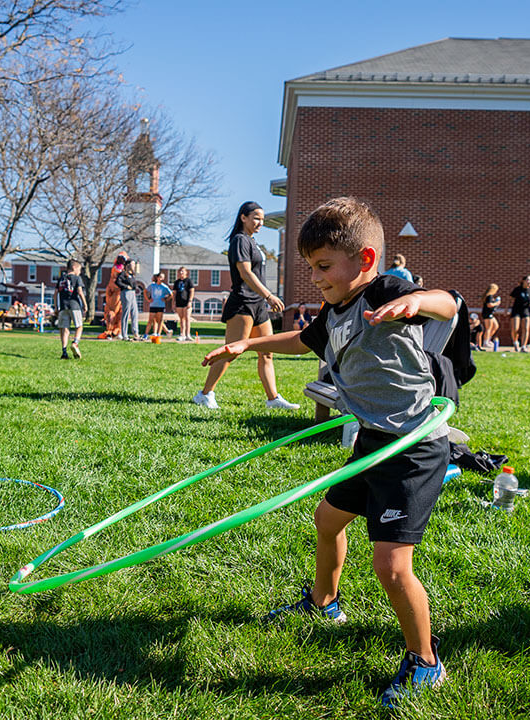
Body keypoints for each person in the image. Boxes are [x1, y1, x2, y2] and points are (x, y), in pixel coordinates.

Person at [204, 197, 456, 707]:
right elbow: (305, 341)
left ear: (363, 260)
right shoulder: (335, 309)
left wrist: (417, 304)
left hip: (413, 448)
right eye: (311, 267)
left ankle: (426, 663)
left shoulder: (385, 289)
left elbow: (448, 301)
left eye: (323, 267)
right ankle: (324, 603)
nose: (315, 277)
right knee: (326, 519)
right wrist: (245, 347)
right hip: (371, 440)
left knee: (390, 564)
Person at [194, 201, 298, 410]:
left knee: (267, 352)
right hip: (243, 302)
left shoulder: (252, 241)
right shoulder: (240, 240)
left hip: (258, 304)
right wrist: (269, 295)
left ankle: (273, 399)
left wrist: (264, 299)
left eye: (262, 219)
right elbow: (245, 273)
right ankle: (204, 394)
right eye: (256, 218)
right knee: (231, 352)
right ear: (243, 217)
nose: (260, 223)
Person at [55, 259, 86, 359]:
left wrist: (56, 307)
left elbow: (55, 294)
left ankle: (64, 352)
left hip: (63, 307)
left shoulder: (61, 279)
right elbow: (80, 292)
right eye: (79, 269)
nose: (80, 272)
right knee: (79, 326)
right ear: (74, 268)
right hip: (75, 306)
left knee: (65, 329)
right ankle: (75, 343)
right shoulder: (77, 278)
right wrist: (85, 304)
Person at [102, 253, 126, 338]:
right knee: (111, 312)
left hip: (120, 293)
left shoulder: (123, 268)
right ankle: (109, 331)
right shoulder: (116, 268)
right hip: (114, 291)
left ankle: (117, 331)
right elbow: (115, 278)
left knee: (120, 313)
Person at [115, 258, 140, 340]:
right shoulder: (123, 274)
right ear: (128, 265)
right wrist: (126, 286)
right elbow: (118, 282)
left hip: (132, 293)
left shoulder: (132, 274)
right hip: (126, 293)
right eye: (132, 264)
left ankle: (135, 332)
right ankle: (124, 334)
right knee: (126, 313)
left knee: (135, 313)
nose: (134, 265)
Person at [508, 275, 530, 352]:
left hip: (525, 310)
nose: (529, 282)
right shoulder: (517, 289)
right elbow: (510, 299)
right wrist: (507, 309)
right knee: (515, 328)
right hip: (516, 310)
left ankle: (523, 346)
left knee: (526, 328)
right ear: (523, 281)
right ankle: (515, 342)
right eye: (528, 280)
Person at [172, 266, 195, 341]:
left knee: (187, 318)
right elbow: (174, 293)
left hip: (186, 302)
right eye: (180, 271)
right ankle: (182, 334)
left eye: (182, 271)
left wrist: (190, 301)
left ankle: (188, 335)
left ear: (186, 272)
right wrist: (173, 303)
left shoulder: (189, 281)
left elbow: (192, 291)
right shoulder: (176, 282)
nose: (181, 272)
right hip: (179, 302)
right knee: (181, 319)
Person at [145, 272, 172, 338]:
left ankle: (158, 334)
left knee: (160, 320)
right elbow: (145, 291)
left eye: (163, 277)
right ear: (157, 278)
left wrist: (166, 299)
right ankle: (145, 335)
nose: (162, 279)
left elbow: (171, 294)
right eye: (160, 277)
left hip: (161, 305)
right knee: (150, 320)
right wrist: (148, 300)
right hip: (153, 305)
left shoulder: (164, 286)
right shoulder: (152, 285)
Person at [479, 283, 500, 350]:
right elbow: (489, 305)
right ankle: (485, 342)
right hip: (487, 314)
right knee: (489, 328)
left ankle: (488, 339)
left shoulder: (490, 296)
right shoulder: (489, 296)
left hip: (490, 314)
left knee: (496, 326)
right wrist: (497, 303)